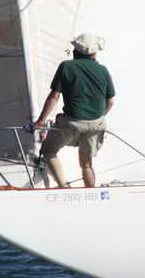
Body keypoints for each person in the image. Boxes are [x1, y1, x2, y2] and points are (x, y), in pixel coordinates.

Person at [28, 32, 115, 188]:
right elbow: (110, 102)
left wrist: (40, 122)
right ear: (94, 53)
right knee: (86, 164)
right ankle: (91, 191)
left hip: (72, 123)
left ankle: (63, 186)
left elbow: (54, 96)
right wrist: (97, 118)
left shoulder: (66, 66)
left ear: (75, 50)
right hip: (97, 124)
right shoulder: (103, 70)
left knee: (48, 151)